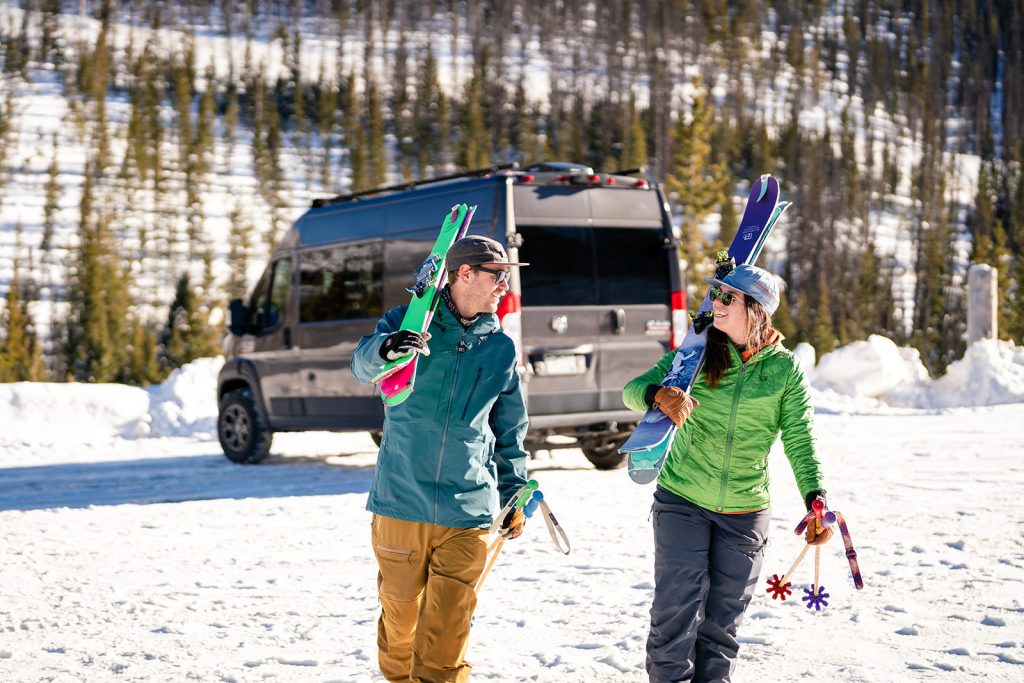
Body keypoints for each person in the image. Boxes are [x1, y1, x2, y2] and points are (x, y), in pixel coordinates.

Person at [622, 264, 831, 683]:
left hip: (745, 511)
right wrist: (659, 395)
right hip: (682, 499)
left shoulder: (785, 370)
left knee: (721, 629)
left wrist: (815, 497)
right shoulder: (696, 354)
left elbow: (800, 438)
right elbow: (631, 390)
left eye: (726, 297)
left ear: (755, 310)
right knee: (673, 618)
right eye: (714, 294)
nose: (714, 303)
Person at [351, 235, 530, 683]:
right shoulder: (406, 322)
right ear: (464, 274)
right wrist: (387, 350)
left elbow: (510, 432)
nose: (504, 287)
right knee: (401, 625)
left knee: (448, 629)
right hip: (400, 503)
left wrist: (516, 493)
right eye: (497, 276)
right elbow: (361, 365)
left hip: (466, 506)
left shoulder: (500, 348)